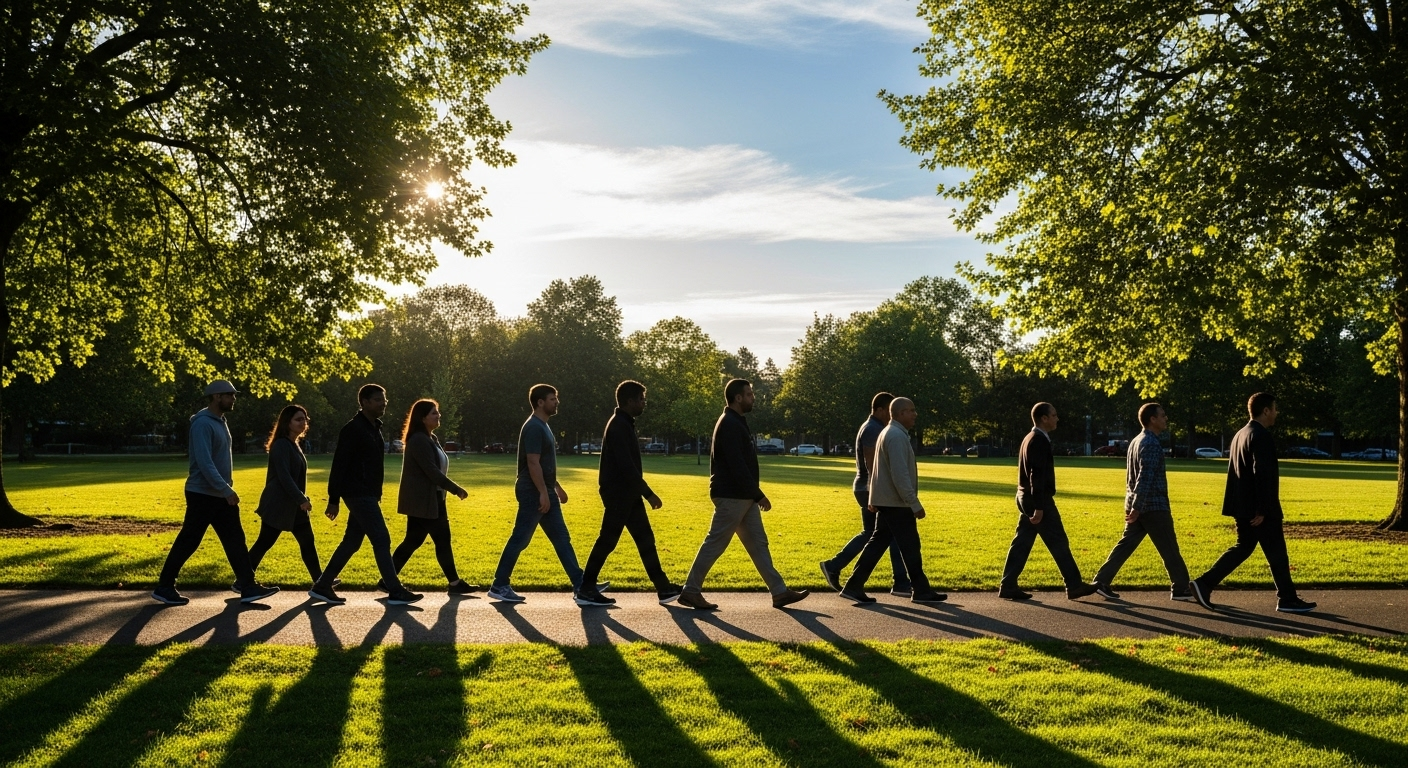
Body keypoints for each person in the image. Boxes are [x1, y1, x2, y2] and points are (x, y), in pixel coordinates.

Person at [678, 378, 809, 610]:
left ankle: (779, 592)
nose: (753, 398)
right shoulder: (729, 423)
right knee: (715, 542)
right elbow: (737, 465)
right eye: (749, 394)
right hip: (733, 496)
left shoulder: (735, 421)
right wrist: (758, 495)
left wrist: (752, 495)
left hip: (741, 496)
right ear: (738, 398)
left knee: (758, 544)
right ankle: (690, 591)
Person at [151, 380, 278, 605]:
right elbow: (204, 462)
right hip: (203, 493)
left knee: (235, 540)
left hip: (217, 493)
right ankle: (164, 586)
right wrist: (226, 489)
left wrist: (223, 490)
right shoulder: (202, 424)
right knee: (189, 540)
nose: (234, 398)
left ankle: (248, 586)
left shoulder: (220, 421)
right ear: (217, 396)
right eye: (230, 395)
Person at [1191, 392, 1317, 613]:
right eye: (1274, 408)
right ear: (1266, 410)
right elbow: (1263, 473)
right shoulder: (1261, 435)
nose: (1277, 413)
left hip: (1242, 505)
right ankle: (1286, 599)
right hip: (1259, 508)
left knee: (1246, 547)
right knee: (1276, 551)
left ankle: (1205, 584)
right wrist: (1264, 509)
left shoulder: (1240, 434)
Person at [488, 384, 605, 602]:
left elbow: (543, 464)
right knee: (521, 538)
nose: (556, 402)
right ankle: (499, 584)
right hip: (532, 490)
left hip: (542, 488)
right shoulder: (534, 427)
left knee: (561, 538)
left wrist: (555, 487)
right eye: (553, 399)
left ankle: (581, 586)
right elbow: (532, 463)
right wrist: (543, 491)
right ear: (540, 402)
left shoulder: (542, 426)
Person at [309, 384, 422, 606]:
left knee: (351, 542)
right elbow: (339, 465)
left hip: (367, 493)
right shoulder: (353, 429)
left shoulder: (373, 428)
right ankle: (395, 589)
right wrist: (333, 499)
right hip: (358, 493)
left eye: (385, 399)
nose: (384, 403)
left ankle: (323, 585)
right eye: (379, 399)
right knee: (381, 538)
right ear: (365, 402)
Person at [577, 381, 684, 607]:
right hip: (619, 494)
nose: (644, 403)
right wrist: (649, 494)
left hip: (627, 493)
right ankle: (586, 588)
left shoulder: (623, 424)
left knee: (645, 540)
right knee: (608, 540)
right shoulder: (618, 426)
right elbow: (627, 467)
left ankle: (663, 587)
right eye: (641, 399)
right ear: (630, 401)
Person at [837, 397, 947, 604]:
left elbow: (879, 471)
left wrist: (874, 497)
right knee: (910, 546)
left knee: (878, 543)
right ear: (898, 413)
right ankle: (921, 591)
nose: (915, 414)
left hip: (887, 500)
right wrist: (914, 503)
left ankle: (854, 586)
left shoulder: (888, 432)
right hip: (897, 502)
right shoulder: (896, 436)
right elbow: (899, 475)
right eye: (910, 410)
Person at [1088, 403, 1193, 601]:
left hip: (1136, 504)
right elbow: (1145, 477)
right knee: (1169, 547)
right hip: (1152, 506)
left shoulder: (1136, 441)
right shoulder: (1151, 443)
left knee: (1126, 545)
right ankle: (1180, 587)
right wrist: (1138, 507)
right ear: (1152, 419)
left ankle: (1101, 581)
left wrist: (1133, 505)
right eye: (1162, 415)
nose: (1165, 418)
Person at [998, 402, 1099, 601]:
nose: (1057, 418)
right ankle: (1074, 585)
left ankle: (1008, 584)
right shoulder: (1039, 440)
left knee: (1022, 543)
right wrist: (1039, 506)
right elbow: (1037, 475)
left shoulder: (1029, 438)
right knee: (1059, 542)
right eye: (1054, 415)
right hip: (1038, 499)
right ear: (1044, 418)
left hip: (1024, 497)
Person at [820, 392, 911, 597]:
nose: (891, 415)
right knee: (882, 535)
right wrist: (875, 493)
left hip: (868, 488)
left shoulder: (874, 427)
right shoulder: (873, 430)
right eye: (888, 411)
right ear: (879, 410)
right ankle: (899, 583)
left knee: (879, 535)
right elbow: (872, 465)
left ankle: (899, 582)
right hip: (870, 488)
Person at [384, 399, 477, 595]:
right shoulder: (419, 440)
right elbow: (431, 471)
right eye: (434, 413)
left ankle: (387, 580)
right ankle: (454, 584)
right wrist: (455, 488)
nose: (438, 415)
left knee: (414, 540)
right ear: (423, 417)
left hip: (432, 498)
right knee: (441, 539)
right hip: (424, 500)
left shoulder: (429, 438)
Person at [247, 405, 329, 590]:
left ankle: (320, 582)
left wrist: (300, 499)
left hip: (292, 505)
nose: (304, 423)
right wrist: (301, 499)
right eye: (298, 419)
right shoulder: (282, 445)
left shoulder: (293, 444)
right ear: (287, 422)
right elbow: (284, 477)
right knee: (265, 542)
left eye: (305, 419)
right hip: (279, 504)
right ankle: (243, 580)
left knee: (307, 541)